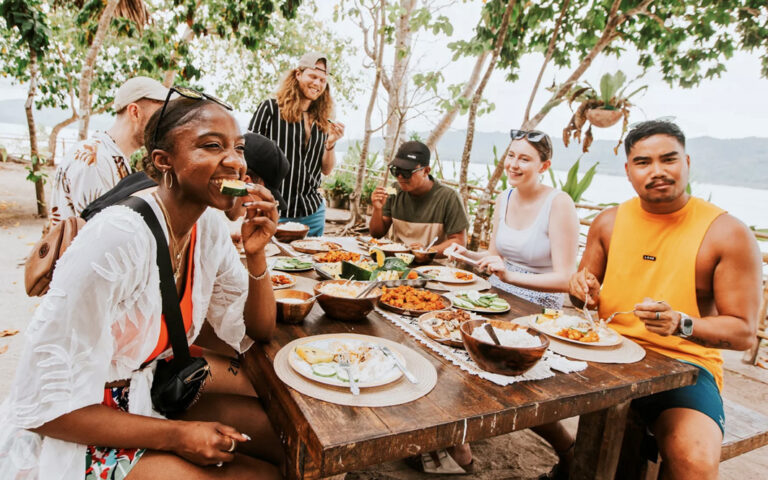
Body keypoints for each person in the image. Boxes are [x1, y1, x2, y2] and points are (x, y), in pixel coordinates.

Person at [0, 90, 284, 480]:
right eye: (212, 146)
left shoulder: (210, 227)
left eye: (237, 147)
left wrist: (256, 256)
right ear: (164, 161)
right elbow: (40, 407)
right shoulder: (118, 239)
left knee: (283, 439)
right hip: (78, 423)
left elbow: (258, 330)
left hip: (146, 391)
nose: (235, 162)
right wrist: (179, 436)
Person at [569, 120, 761, 480]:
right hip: (605, 356)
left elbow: (744, 333)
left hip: (683, 367)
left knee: (695, 461)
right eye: (643, 162)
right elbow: (583, 293)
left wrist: (681, 323)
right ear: (628, 171)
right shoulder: (608, 222)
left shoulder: (727, 233)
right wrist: (581, 288)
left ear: (687, 162)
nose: (657, 171)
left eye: (668, 159)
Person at [443, 129, 580, 478]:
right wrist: (465, 254)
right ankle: (457, 441)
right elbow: (495, 256)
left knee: (516, 389)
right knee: (452, 351)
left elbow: (567, 278)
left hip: (539, 309)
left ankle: (569, 449)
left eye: (524, 158)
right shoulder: (505, 196)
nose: (514, 165)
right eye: (511, 156)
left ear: (544, 165)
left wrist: (510, 277)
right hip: (495, 298)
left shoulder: (559, 203)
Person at [48, 76, 168, 228]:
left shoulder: (113, 158)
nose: (163, 123)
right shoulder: (94, 160)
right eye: (159, 115)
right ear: (134, 112)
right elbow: (99, 233)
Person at [248, 51, 345, 236]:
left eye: (322, 80)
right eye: (313, 76)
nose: (317, 83)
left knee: (312, 265)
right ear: (298, 74)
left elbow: (326, 170)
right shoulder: (270, 108)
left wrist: (331, 144)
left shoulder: (324, 120)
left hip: (313, 213)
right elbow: (249, 157)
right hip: (274, 211)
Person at [369, 140, 469, 254]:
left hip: (433, 266)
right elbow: (376, 234)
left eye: (407, 171)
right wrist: (377, 209)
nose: (400, 176)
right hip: (396, 260)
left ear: (426, 171)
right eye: (396, 170)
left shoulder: (448, 197)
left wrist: (426, 251)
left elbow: (459, 241)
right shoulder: (394, 190)